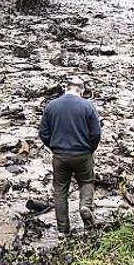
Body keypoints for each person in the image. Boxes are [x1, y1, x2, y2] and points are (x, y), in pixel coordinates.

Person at [39, 76, 102, 236]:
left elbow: (43, 133)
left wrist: (54, 146)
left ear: (66, 88)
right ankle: (85, 206)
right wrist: (89, 149)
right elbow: (96, 133)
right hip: (82, 153)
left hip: (59, 155)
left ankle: (63, 230)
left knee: (60, 190)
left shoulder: (51, 106)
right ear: (81, 90)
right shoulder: (88, 106)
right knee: (87, 181)